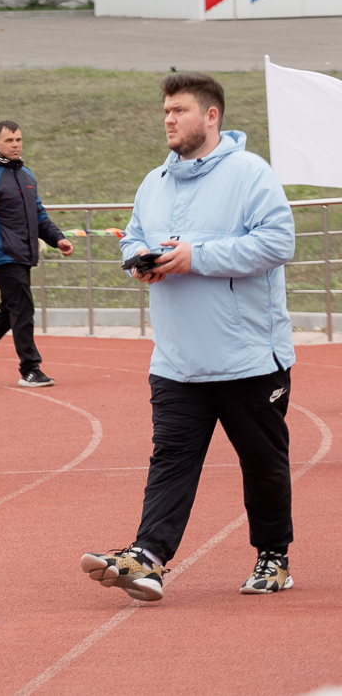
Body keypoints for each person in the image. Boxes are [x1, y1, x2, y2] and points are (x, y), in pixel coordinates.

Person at [81, 73, 297, 603]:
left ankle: (273, 558)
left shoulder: (251, 174)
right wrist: (138, 260)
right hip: (177, 359)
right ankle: (148, 557)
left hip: (248, 357)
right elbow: (133, 234)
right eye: (166, 112)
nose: (169, 120)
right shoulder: (154, 180)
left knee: (263, 466)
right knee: (171, 458)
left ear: (211, 115)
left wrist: (197, 256)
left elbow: (278, 241)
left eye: (179, 110)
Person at [0, 121, 73, 388]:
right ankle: (30, 368)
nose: (16, 144)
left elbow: (39, 214)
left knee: (11, 309)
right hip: (2, 254)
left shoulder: (25, 174)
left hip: (24, 252)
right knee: (23, 307)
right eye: (9, 141)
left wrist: (58, 238)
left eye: (19, 139)